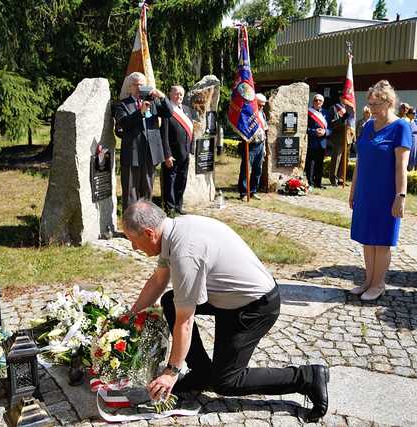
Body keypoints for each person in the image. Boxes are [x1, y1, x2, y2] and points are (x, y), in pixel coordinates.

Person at [123, 200, 330, 422]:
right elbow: (158, 280)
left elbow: (185, 321)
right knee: (171, 301)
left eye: (133, 241)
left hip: (255, 307)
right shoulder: (173, 230)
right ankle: (201, 374)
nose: (134, 248)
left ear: (149, 233)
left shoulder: (185, 253)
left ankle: (307, 377)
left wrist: (171, 372)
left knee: (227, 382)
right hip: (232, 298)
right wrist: (130, 317)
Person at [349, 80, 411, 301]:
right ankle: (368, 281)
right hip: (366, 191)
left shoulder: (401, 127)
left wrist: (400, 196)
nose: (371, 109)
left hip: (386, 194)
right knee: (367, 238)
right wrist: (353, 190)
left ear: (388, 103)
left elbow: (401, 167)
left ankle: (379, 283)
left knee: (382, 240)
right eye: (370, 104)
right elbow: (360, 162)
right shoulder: (367, 126)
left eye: (375, 104)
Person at [113, 72, 173, 211]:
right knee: (130, 191)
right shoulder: (122, 105)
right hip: (132, 153)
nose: (140, 87)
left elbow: (169, 113)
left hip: (150, 153)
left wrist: (162, 96)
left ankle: (145, 221)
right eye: (137, 85)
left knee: (147, 190)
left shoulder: (153, 101)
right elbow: (123, 123)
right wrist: (140, 112)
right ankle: (130, 225)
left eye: (142, 84)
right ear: (130, 87)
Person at [160, 85, 194, 216]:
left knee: (182, 179)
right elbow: (164, 135)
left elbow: (192, 131)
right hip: (172, 154)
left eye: (181, 94)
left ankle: (179, 206)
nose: (179, 96)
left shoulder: (187, 110)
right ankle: (170, 208)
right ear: (170, 94)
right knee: (170, 181)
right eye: (176, 94)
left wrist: (191, 149)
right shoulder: (167, 111)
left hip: (185, 153)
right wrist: (167, 155)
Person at [238, 93, 268, 200]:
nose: (261, 107)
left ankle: (253, 190)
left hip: (260, 144)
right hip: (250, 145)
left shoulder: (262, 114)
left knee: (257, 169)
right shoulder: (248, 113)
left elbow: (264, 130)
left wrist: (264, 147)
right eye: (260, 105)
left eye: (263, 105)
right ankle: (243, 192)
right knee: (246, 169)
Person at [306, 94, 331, 188]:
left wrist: (325, 132)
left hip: (322, 142)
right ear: (313, 101)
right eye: (316, 100)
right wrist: (314, 131)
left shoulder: (326, 113)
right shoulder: (308, 112)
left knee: (320, 164)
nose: (318, 102)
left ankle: (318, 183)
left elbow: (330, 129)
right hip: (312, 141)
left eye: (320, 100)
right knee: (311, 164)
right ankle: (310, 183)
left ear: (323, 102)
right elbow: (304, 127)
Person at [328, 95, 354, 186]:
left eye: (347, 97)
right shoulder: (334, 108)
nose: (346, 99)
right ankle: (333, 179)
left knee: (345, 159)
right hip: (338, 136)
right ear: (340, 98)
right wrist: (342, 119)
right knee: (337, 158)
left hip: (348, 136)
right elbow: (332, 124)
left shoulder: (350, 108)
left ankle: (341, 179)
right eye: (344, 97)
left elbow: (352, 122)